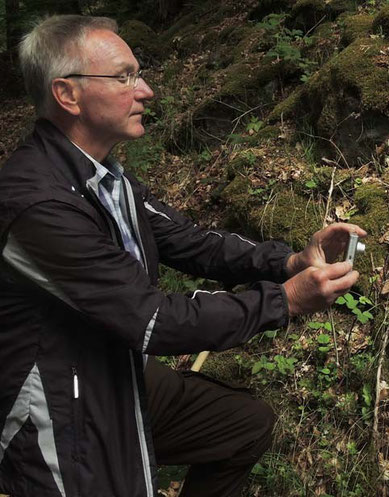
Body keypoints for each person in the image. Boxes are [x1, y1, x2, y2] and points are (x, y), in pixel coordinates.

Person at [0, 15, 366, 497]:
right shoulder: (36, 201)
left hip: (115, 366)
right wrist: (284, 300)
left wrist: (290, 263)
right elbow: (151, 318)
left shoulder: (108, 179)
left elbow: (194, 243)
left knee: (243, 425)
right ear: (67, 95)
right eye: (125, 76)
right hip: (58, 401)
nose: (146, 90)